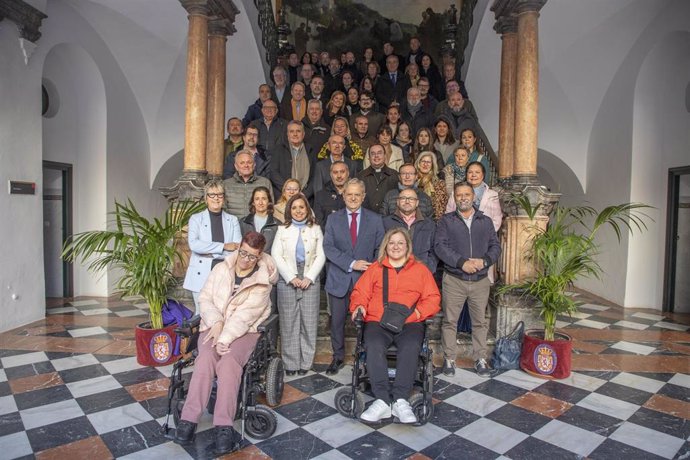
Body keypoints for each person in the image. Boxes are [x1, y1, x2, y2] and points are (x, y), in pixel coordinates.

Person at [174, 232, 278, 454]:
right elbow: (205, 299)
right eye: (243, 253)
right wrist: (217, 323)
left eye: (252, 256)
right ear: (238, 248)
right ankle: (189, 419)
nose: (245, 259)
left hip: (244, 332)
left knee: (229, 362)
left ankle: (224, 426)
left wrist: (224, 337)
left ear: (259, 257)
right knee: (205, 360)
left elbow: (245, 316)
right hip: (213, 326)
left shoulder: (262, 282)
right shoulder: (220, 269)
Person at [350, 228, 440, 423]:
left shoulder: (420, 270)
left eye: (400, 243)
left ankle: (400, 399)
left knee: (410, 346)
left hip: (409, 321)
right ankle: (382, 400)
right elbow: (360, 292)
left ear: (407, 246)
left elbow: (433, 297)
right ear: (386, 246)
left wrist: (418, 313)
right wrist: (359, 307)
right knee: (373, 344)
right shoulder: (376, 268)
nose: (396, 246)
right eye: (392, 243)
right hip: (378, 320)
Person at [434, 183, 501, 378]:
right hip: (454, 279)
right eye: (459, 195)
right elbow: (440, 246)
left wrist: (485, 261)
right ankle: (449, 359)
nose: (463, 197)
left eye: (466, 194)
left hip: (480, 280)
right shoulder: (446, 221)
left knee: (479, 322)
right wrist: (461, 262)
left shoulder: (485, 221)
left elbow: (495, 247)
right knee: (449, 321)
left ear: (474, 197)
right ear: (454, 198)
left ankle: (480, 359)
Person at [323, 178, 384, 375]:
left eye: (357, 194)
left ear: (363, 196)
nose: (353, 198)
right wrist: (351, 263)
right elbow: (328, 247)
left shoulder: (375, 219)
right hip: (339, 278)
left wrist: (371, 270)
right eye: (349, 194)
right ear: (343, 195)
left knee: (365, 322)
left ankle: (364, 357)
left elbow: (380, 250)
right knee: (337, 321)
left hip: (365, 281)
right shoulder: (333, 219)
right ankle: (338, 357)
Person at [271, 194, 326, 375]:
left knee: (309, 323)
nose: (298, 211)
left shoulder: (316, 228)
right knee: (288, 323)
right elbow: (276, 255)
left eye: (301, 207)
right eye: (294, 208)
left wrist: (309, 277)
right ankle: (291, 364)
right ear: (289, 210)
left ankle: (305, 363)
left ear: (307, 209)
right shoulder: (282, 229)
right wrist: (290, 277)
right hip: (288, 279)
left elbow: (321, 255)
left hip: (310, 277)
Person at [183, 180, 242, 315]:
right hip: (201, 271)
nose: (216, 198)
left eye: (220, 195)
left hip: (224, 271)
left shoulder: (232, 220)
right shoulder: (196, 218)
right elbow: (194, 245)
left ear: (224, 198)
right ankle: (199, 337)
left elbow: (237, 247)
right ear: (206, 198)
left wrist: (209, 250)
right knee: (201, 312)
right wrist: (224, 246)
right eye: (212, 195)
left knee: (223, 312)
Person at [382, 189, 437, 272]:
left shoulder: (429, 224)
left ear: (417, 203)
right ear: (397, 202)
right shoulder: (385, 222)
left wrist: (428, 267)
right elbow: (380, 249)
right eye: (403, 198)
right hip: (393, 272)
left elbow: (435, 250)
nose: (407, 201)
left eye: (411, 199)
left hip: (421, 273)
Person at [270, 120, 315, 199]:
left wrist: (305, 194)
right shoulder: (278, 150)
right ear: (287, 135)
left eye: (298, 131)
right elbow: (273, 173)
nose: (295, 134)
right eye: (291, 131)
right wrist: (289, 190)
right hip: (283, 197)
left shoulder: (311, 150)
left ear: (303, 134)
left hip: (305, 198)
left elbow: (315, 176)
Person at [223, 151, 274, 218]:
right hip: (233, 226)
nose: (246, 165)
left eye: (249, 162)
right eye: (242, 163)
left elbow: (270, 208)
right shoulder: (226, 185)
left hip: (257, 226)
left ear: (254, 165)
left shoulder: (265, 183)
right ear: (236, 166)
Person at [358, 143, 399, 214]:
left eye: (379, 153)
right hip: (366, 217)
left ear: (385, 156)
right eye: (373, 154)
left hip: (389, 217)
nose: (376, 156)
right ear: (369, 158)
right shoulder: (360, 176)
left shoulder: (395, 175)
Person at [239, 186, 281, 254]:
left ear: (269, 202)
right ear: (253, 202)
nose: (260, 202)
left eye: (264, 199)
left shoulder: (277, 225)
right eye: (257, 199)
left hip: (268, 262)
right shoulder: (243, 222)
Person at [314, 160, 349, 227]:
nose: (339, 176)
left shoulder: (356, 194)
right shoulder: (320, 195)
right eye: (335, 172)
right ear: (331, 175)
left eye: (342, 172)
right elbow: (318, 223)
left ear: (348, 173)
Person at [415, 151, 448, 220]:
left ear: (432, 165)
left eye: (428, 162)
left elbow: (440, 208)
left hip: (431, 220)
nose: (425, 164)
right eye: (423, 161)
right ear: (418, 163)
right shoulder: (412, 181)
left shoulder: (439, 184)